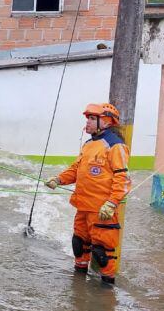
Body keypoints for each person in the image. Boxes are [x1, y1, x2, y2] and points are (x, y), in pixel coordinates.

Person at [45, 103, 131, 285]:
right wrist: (59, 179)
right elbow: (76, 169)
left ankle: (107, 293)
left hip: (102, 210)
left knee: (102, 253)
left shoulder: (115, 146)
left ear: (106, 121)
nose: (88, 122)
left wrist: (112, 203)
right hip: (82, 206)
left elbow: (122, 178)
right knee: (78, 244)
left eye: (92, 118)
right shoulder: (88, 144)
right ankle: (78, 283)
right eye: (88, 118)